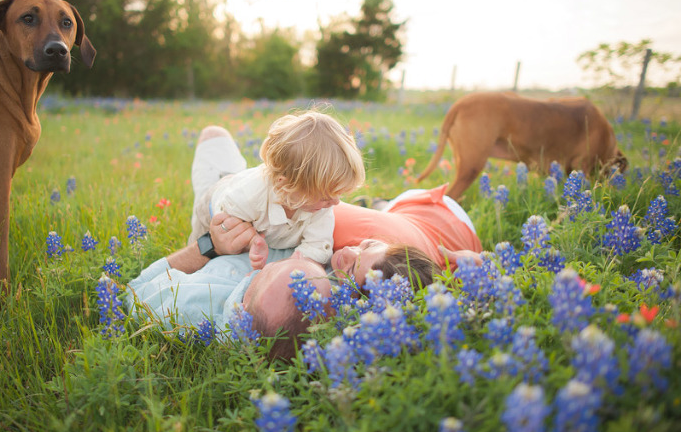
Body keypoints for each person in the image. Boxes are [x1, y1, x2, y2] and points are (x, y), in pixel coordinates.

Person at [126, 121, 483, 338]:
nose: (346, 252)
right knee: (212, 144)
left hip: (282, 192)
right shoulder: (253, 197)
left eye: (350, 266)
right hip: (225, 199)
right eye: (366, 245)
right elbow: (227, 218)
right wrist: (221, 243)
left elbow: (314, 248)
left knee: (216, 136)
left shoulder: (324, 209)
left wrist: (296, 260)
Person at [167, 109, 366, 276]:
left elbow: (317, 246)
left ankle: (227, 164)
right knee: (199, 261)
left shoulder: (320, 207)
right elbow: (227, 227)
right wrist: (253, 242)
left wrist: (296, 264)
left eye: (338, 193)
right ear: (285, 186)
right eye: (326, 196)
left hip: (244, 188)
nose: (336, 202)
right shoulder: (247, 196)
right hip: (215, 203)